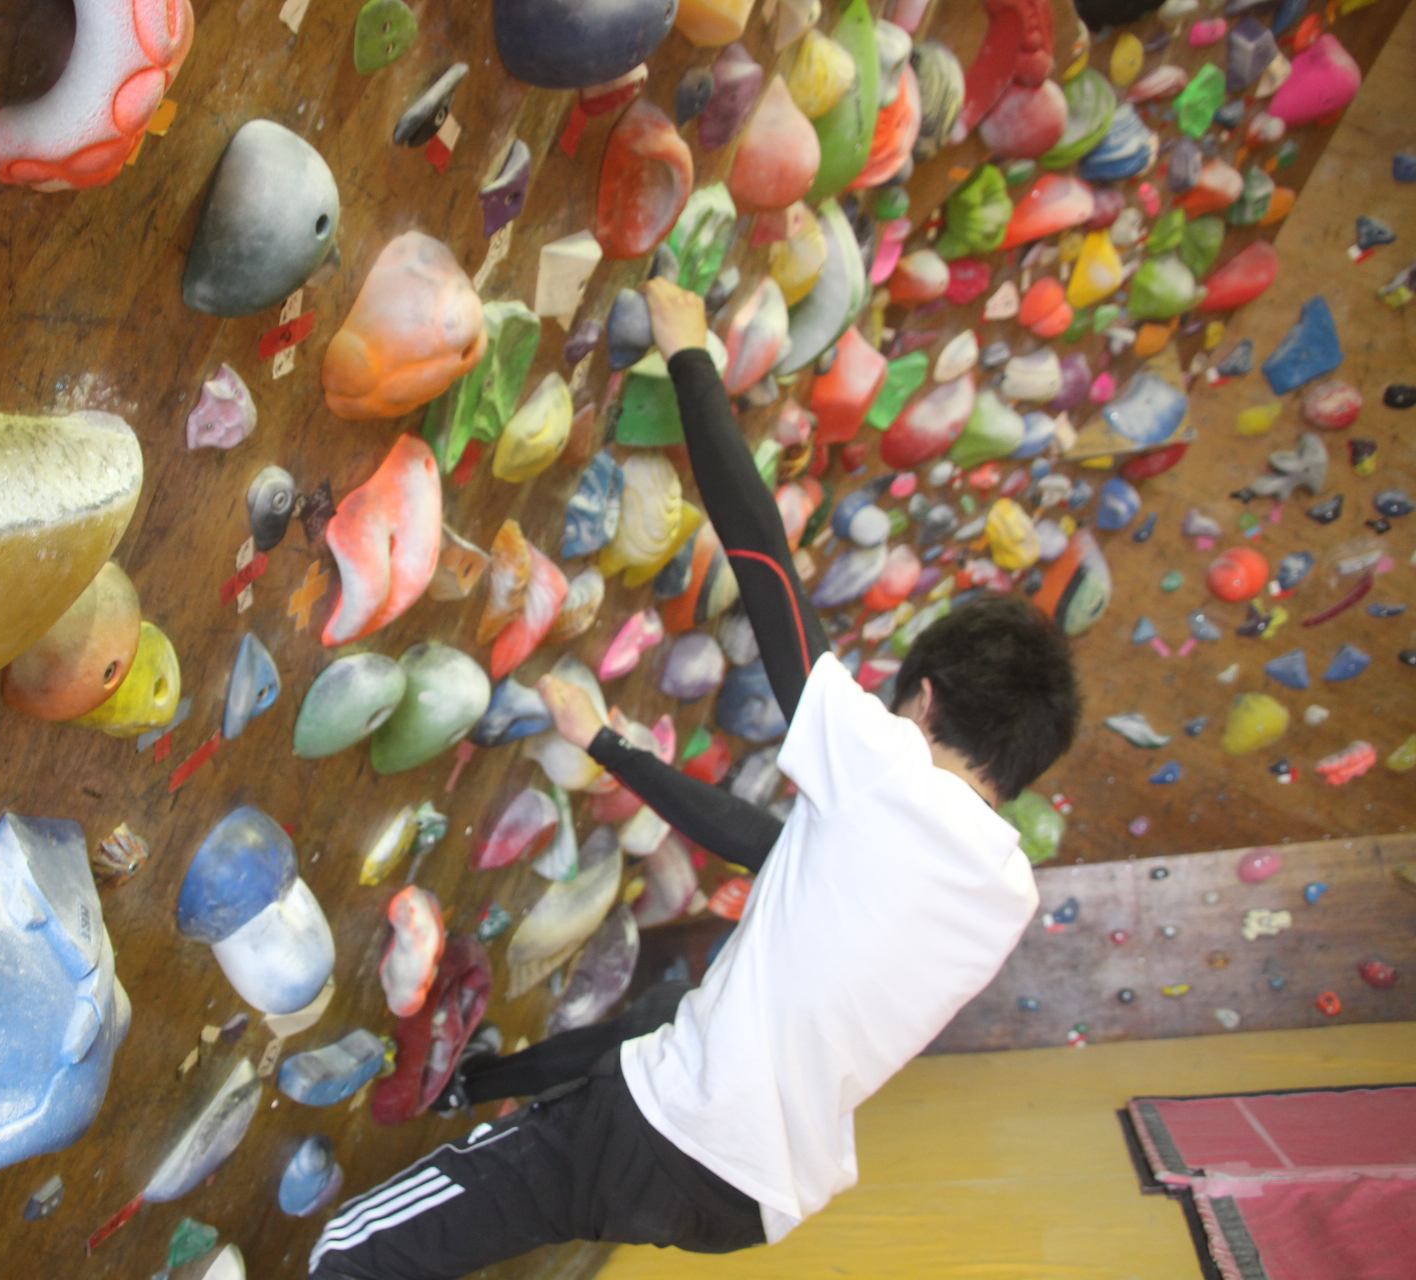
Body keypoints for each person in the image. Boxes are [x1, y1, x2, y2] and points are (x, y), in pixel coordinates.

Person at [307, 278, 1081, 1280]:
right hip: (749, 1194)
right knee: (653, 1020)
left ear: (923, 702)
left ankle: (468, 1123)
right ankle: (476, 1083)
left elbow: (764, 564)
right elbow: (767, 845)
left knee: (350, 1252)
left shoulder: (894, 778)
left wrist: (690, 355)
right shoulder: (1002, 886)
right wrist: (609, 746)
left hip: (663, 1127)